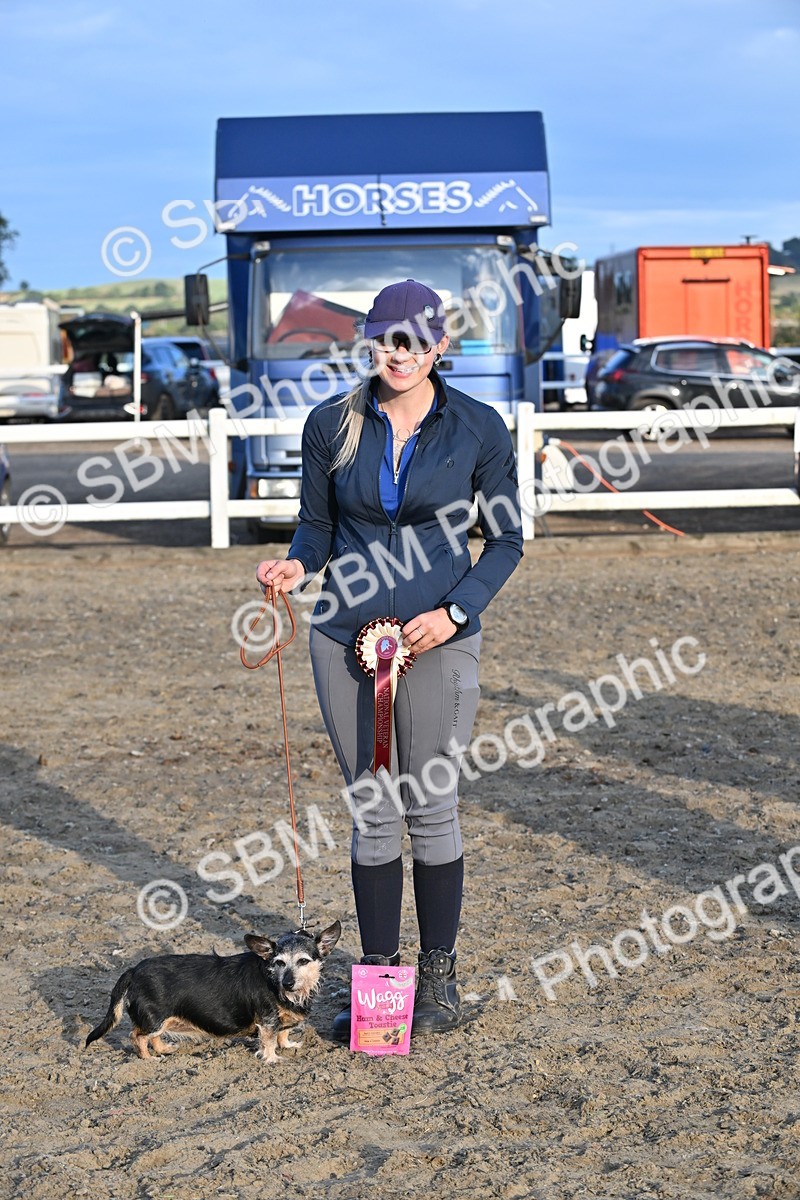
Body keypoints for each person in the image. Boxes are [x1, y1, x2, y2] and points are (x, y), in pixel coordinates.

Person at [255, 279, 522, 1036]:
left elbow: (505, 542)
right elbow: (315, 529)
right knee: (373, 813)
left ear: (439, 347)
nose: (396, 354)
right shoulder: (330, 424)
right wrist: (294, 567)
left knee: (431, 808)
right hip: (343, 638)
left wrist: (455, 611)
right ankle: (379, 993)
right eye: (383, 339)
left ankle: (438, 980)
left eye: (411, 341)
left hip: (440, 641)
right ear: (369, 343)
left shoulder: (479, 428)